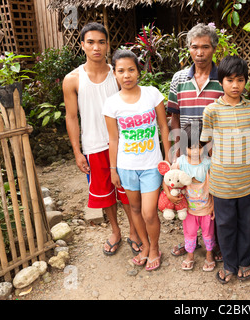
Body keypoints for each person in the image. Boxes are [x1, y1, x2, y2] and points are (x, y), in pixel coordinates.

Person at [63, 22, 141, 256]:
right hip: (94, 145)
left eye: (101, 42)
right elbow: (71, 118)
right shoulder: (73, 79)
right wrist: (77, 152)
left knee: (126, 191)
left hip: (123, 144)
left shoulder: (117, 74)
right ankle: (115, 230)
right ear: (82, 45)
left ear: (108, 45)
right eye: (90, 42)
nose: (96, 47)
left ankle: (134, 231)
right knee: (105, 193)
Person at [103, 50, 171, 271]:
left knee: (149, 212)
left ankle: (154, 248)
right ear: (114, 74)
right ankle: (144, 246)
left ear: (139, 72)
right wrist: (113, 169)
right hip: (126, 166)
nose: (127, 75)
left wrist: (168, 158)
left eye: (131, 69)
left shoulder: (152, 94)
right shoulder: (111, 104)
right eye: (121, 71)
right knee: (134, 208)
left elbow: (163, 127)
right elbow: (113, 139)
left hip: (151, 165)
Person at [167, 23, 224, 259]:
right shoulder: (179, 79)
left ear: (214, 49)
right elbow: (174, 117)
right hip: (188, 152)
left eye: (205, 47)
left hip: (216, 152)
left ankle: (216, 243)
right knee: (188, 197)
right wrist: (177, 152)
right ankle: (190, 242)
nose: (199, 52)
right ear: (188, 49)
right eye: (194, 47)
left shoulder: (224, 79)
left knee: (213, 198)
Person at [201, 55, 250, 284]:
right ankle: (230, 264)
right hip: (222, 182)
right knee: (225, 225)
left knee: (246, 224)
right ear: (220, 81)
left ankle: (245, 262)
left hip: (247, 180)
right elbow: (207, 144)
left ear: (246, 81)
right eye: (230, 80)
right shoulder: (211, 111)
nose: (235, 85)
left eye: (240, 80)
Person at [166, 122, 216, 272]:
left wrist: (214, 205)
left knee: (208, 233)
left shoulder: (208, 163)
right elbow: (167, 178)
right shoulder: (180, 163)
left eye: (199, 147)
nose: (195, 151)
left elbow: (214, 186)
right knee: (189, 233)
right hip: (188, 209)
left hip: (206, 208)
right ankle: (190, 256)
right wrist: (169, 194)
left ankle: (209, 255)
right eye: (191, 147)